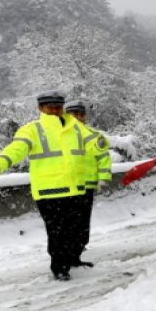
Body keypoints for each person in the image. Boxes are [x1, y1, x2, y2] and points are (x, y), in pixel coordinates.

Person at [0, 90, 92, 281]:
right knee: (57, 231)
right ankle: (60, 268)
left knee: (77, 230)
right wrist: (0, 162)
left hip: (76, 188)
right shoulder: (32, 129)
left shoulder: (76, 128)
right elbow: (17, 149)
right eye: (50, 106)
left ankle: (74, 259)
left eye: (58, 106)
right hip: (49, 191)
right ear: (40, 108)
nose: (54, 110)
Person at [65, 100, 111, 267]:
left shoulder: (93, 134)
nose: (78, 117)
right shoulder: (60, 136)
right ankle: (65, 259)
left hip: (87, 187)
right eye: (74, 114)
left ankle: (76, 257)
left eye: (81, 114)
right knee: (66, 225)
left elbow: (103, 157)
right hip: (66, 187)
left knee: (82, 226)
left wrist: (103, 178)